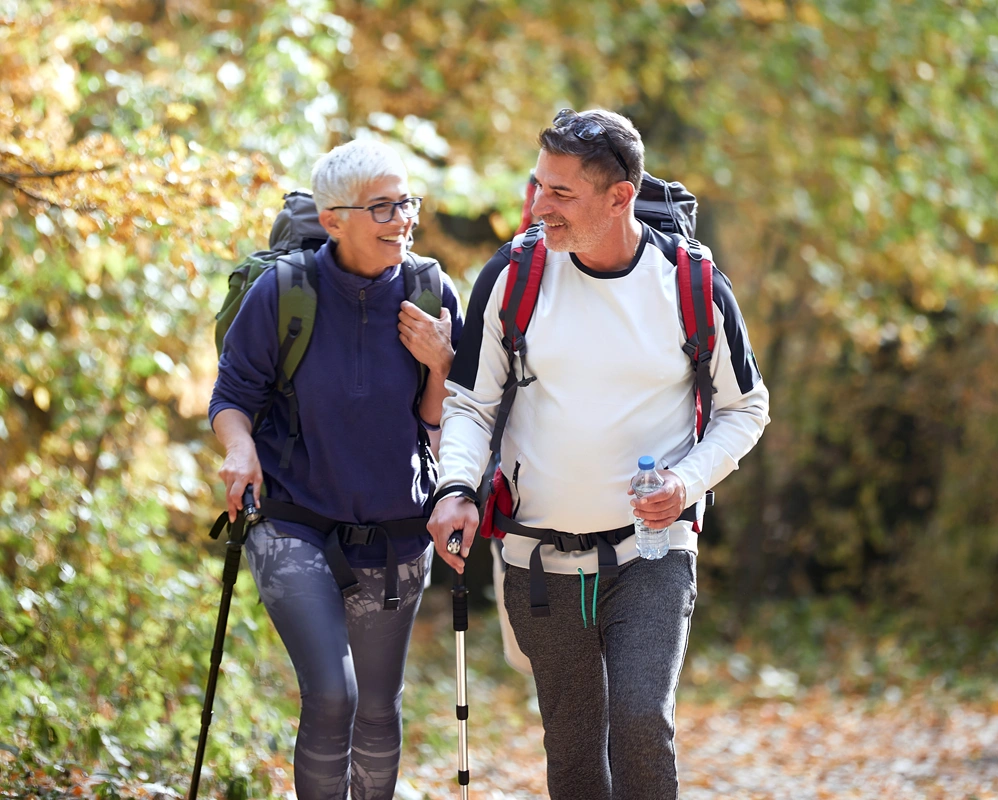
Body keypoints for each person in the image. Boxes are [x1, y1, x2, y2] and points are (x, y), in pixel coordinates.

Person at [427, 108, 770, 800]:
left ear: (619, 197)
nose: (536, 207)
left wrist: (686, 479)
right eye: (536, 185)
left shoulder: (690, 285)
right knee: (577, 750)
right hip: (539, 561)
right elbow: (469, 403)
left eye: (560, 193)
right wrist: (457, 487)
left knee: (641, 720)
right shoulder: (514, 278)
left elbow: (745, 409)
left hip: (651, 551)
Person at [209, 138, 463, 800]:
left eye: (407, 202)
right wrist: (239, 449)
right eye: (382, 207)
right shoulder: (283, 294)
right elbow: (233, 398)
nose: (402, 219)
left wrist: (440, 364)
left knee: (379, 708)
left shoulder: (430, 291)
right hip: (293, 523)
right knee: (332, 695)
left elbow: (442, 427)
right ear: (334, 221)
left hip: (396, 531)